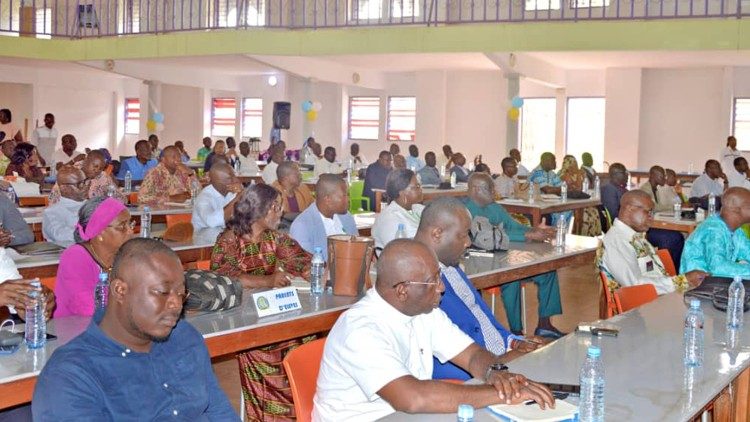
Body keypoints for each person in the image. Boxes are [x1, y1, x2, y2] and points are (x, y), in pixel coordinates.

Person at [313, 238, 555, 421]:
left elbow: (471, 355)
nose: (441, 288)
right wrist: (505, 393)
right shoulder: (360, 330)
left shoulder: (424, 313)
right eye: (433, 280)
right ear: (402, 290)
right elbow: (414, 398)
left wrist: (497, 373)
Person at [32, 238, 239, 421]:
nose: (176, 304)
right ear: (120, 290)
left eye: (181, 294)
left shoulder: (185, 338)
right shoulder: (71, 375)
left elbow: (219, 411)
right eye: (162, 292)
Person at [411, 197, 550, 379]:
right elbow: (440, 363)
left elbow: (481, 319)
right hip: (477, 375)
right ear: (437, 234)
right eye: (463, 235)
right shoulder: (416, 282)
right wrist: (504, 361)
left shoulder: (450, 265)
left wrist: (514, 342)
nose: (468, 242)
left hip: (497, 360)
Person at [464, 173, 564, 338]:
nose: (494, 192)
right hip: (479, 263)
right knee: (512, 276)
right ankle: (516, 332)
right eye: (490, 189)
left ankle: (545, 325)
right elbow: (489, 235)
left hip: (503, 256)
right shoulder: (467, 211)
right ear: (476, 190)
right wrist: (528, 236)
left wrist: (535, 231)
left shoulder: (494, 207)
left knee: (548, 270)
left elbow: (514, 226)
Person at [601, 190, 707, 295]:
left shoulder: (635, 236)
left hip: (658, 297)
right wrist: (683, 281)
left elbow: (655, 275)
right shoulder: (617, 241)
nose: (651, 217)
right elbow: (634, 285)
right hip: (638, 307)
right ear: (630, 209)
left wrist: (683, 281)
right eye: (648, 212)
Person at [211, 184, 311, 288]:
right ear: (259, 208)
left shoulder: (274, 238)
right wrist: (268, 281)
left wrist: (308, 269)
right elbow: (224, 279)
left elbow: (298, 258)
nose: (280, 213)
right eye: (276, 207)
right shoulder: (230, 240)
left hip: (265, 300)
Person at [53, 197, 134, 317]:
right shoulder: (75, 257)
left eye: (130, 224)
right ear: (99, 232)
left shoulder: (125, 256)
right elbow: (87, 308)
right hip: (77, 330)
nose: (130, 231)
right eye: (122, 226)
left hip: (115, 327)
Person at [681, 187, 750, 277]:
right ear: (736, 209)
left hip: (717, 282)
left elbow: (747, 252)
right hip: (698, 286)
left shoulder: (737, 230)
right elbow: (718, 267)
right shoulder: (712, 230)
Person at [290, 174, 358, 259]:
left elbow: (357, 249)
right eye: (344, 195)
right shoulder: (302, 226)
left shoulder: (346, 217)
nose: (348, 199)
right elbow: (305, 265)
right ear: (328, 199)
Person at [372, 169, 424, 249]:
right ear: (402, 192)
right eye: (416, 187)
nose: (420, 189)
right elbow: (400, 251)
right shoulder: (389, 218)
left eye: (420, 186)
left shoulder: (418, 208)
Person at [42, 166, 88, 246]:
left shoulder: (94, 205)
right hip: (66, 254)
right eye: (79, 184)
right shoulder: (52, 212)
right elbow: (60, 235)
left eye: (85, 182)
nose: (85, 187)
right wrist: (92, 231)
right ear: (64, 188)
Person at [557, 155, 601, 236]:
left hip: (580, 200)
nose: (575, 165)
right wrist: (577, 175)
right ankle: (582, 235)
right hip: (568, 202)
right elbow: (577, 188)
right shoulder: (562, 174)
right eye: (573, 163)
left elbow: (584, 186)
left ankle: (592, 236)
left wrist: (579, 174)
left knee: (594, 211)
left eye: (575, 162)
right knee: (586, 214)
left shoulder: (581, 172)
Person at [192, 162, 242, 230]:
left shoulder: (231, 192)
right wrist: (239, 196)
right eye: (230, 178)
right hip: (204, 237)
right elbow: (212, 222)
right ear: (217, 182)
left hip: (223, 235)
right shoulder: (203, 198)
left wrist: (242, 195)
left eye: (234, 176)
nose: (236, 180)